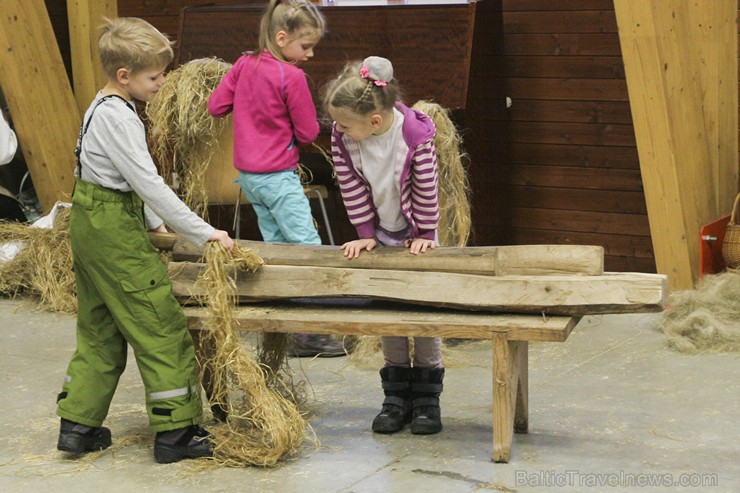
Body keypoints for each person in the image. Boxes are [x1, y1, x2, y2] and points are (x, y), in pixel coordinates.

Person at [55, 17, 234, 464]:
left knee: (101, 330)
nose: (162, 82)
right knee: (161, 325)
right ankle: (176, 434)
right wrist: (203, 231)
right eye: (155, 76)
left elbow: (129, 182)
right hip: (112, 230)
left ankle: (78, 426)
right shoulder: (120, 118)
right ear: (124, 76)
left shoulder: (101, 106)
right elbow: (148, 182)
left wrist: (155, 226)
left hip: (92, 223)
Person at [208, 0, 346, 358]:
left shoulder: (242, 64)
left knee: (276, 246)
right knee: (307, 247)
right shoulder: (292, 77)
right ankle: (313, 332)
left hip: (250, 179)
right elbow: (306, 132)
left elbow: (216, 106)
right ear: (281, 37)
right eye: (305, 45)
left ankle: (287, 329)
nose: (310, 54)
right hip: (279, 177)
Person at [322, 56, 445, 435]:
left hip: (417, 234)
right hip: (381, 233)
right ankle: (396, 397)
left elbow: (426, 189)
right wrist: (364, 232)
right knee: (389, 312)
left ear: (374, 122)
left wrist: (424, 233)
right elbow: (351, 185)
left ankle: (427, 399)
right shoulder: (344, 137)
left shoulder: (414, 136)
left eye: (343, 124)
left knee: (423, 315)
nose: (337, 129)